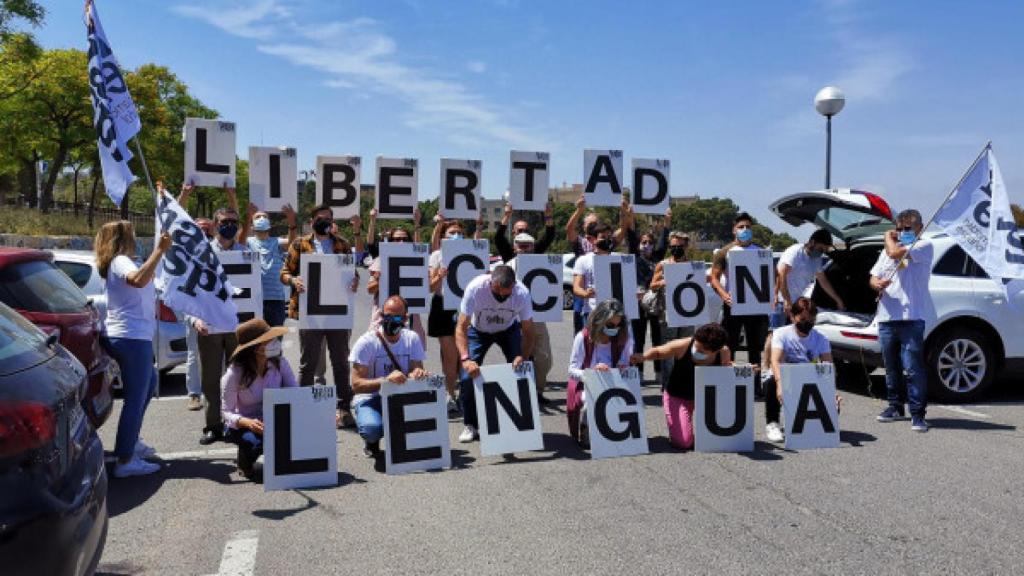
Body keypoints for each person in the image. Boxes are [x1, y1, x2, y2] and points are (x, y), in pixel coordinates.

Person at [95, 221, 171, 477]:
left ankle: (131, 441)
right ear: (120, 239)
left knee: (148, 386)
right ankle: (125, 460)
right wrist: (159, 250)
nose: (135, 238)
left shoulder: (119, 262)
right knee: (135, 398)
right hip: (130, 337)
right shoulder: (120, 261)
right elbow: (138, 280)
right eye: (132, 234)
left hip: (133, 336)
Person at [280, 204, 364, 428]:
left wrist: (355, 281)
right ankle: (303, 406)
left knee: (340, 362)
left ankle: (343, 408)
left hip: (337, 313)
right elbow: (284, 272)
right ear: (312, 221)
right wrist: (293, 280)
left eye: (328, 218)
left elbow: (352, 273)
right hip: (311, 313)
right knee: (308, 363)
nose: (324, 221)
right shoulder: (300, 244)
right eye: (320, 218)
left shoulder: (342, 244)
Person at [455, 265, 535, 443]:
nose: (502, 296)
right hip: (479, 331)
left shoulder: (522, 293)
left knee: (522, 370)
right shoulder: (475, 288)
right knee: (468, 377)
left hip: (508, 330)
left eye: (506, 293)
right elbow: (461, 327)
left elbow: (529, 332)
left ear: (513, 286)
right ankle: (471, 424)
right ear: (491, 281)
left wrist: (523, 355)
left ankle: (521, 422)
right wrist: (465, 359)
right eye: (498, 292)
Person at [870, 209, 934, 432]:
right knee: (891, 368)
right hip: (887, 317)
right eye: (899, 228)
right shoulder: (886, 252)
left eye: (908, 228)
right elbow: (874, 275)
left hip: (911, 318)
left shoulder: (923, 246)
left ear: (920, 228)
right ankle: (895, 407)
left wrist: (888, 237)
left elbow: (896, 253)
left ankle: (918, 414)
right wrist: (876, 284)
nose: (902, 232)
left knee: (913, 368)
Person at [190, 202, 247, 445]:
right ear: (215, 226)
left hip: (238, 327)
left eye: (234, 222)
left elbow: (256, 290)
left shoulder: (246, 253)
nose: (229, 227)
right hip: (210, 326)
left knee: (240, 377)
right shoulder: (201, 253)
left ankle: (237, 422)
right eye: (225, 222)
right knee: (211, 379)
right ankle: (213, 425)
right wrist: (194, 319)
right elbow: (189, 290)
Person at [631, 323, 730, 451]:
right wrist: (643, 357)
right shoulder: (683, 345)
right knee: (684, 443)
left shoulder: (724, 352)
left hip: (706, 398)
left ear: (715, 350)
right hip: (678, 395)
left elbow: (727, 370)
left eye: (702, 351)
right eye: (696, 345)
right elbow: (658, 352)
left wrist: (745, 371)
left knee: (722, 438)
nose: (697, 350)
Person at [349, 296, 428, 457]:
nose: (390, 321)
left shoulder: (412, 339)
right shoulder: (366, 342)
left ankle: (404, 438)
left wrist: (417, 374)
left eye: (396, 317)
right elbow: (356, 385)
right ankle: (372, 442)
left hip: (399, 396)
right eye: (386, 316)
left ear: (405, 318)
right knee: (372, 429)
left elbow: (417, 369)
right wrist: (385, 381)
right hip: (370, 398)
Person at [220, 318, 296, 480]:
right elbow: (226, 412)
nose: (275, 343)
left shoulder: (280, 363)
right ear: (255, 348)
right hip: (243, 424)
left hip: (274, 418)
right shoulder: (234, 374)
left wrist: (320, 413)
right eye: (269, 340)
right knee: (256, 444)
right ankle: (245, 459)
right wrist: (248, 423)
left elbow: (295, 393)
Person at [709, 212, 770, 383]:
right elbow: (714, 277)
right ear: (733, 230)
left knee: (755, 347)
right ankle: (726, 380)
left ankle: (755, 384)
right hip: (733, 304)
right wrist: (723, 294)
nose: (745, 230)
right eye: (741, 227)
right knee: (730, 344)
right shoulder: (724, 252)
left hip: (755, 306)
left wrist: (771, 294)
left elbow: (773, 276)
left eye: (748, 227)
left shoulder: (761, 251)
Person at [766, 297, 836, 443]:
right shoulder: (781, 333)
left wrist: (831, 393)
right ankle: (772, 423)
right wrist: (780, 384)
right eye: (803, 318)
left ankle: (812, 422)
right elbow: (775, 360)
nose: (807, 322)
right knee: (771, 381)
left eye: (811, 319)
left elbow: (827, 367)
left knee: (834, 407)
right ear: (792, 317)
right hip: (786, 375)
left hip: (808, 378)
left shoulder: (821, 339)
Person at [566, 299, 634, 445]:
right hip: (587, 384)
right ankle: (586, 426)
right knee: (590, 400)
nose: (614, 329)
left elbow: (625, 363)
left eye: (618, 325)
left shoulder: (624, 338)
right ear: (599, 320)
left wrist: (622, 367)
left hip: (614, 383)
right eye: (610, 325)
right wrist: (591, 373)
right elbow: (571, 370)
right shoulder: (583, 338)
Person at [623, 204, 671, 381]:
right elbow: (630, 235)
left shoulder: (658, 258)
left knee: (658, 338)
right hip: (637, 304)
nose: (647, 245)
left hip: (656, 303)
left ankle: (659, 372)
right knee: (638, 339)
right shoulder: (634, 257)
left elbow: (664, 240)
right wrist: (631, 217)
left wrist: (667, 222)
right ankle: (639, 371)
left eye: (650, 242)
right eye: (644, 242)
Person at [506, 232, 554, 403]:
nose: (524, 249)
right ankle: (519, 395)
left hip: (538, 317)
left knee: (544, 358)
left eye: (528, 245)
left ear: (533, 247)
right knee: (517, 358)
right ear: (514, 247)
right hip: (515, 319)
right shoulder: (508, 266)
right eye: (521, 245)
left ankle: (538, 391)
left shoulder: (545, 265)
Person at [427, 219, 469, 414]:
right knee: (450, 355)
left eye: (459, 232)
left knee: (466, 354)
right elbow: (430, 287)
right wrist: (440, 275)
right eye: (452, 232)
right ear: (444, 236)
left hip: (466, 307)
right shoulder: (437, 255)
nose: (456, 235)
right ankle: (450, 394)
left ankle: (465, 394)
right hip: (443, 306)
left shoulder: (471, 253)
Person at [648, 230, 696, 388]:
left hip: (688, 314)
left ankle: (682, 384)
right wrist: (662, 282)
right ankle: (667, 386)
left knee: (686, 349)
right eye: (673, 246)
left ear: (686, 246)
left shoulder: (692, 266)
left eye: (680, 246)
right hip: (668, 314)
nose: (676, 249)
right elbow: (652, 286)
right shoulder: (663, 265)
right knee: (668, 351)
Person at [367, 227, 427, 347]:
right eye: (397, 239)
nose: (401, 242)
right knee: (379, 351)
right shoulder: (381, 260)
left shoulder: (417, 260)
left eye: (405, 239)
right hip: (384, 314)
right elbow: (370, 289)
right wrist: (379, 280)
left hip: (410, 316)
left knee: (412, 355)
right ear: (390, 241)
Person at [242, 202, 298, 328]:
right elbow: (238, 241)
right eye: (257, 217)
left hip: (276, 298)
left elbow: (292, 244)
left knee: (275, 341)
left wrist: (291, 223)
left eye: (264, 217)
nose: (261, 219)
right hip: (254, 298)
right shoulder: (247, 242)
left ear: (269, 225)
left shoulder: (276, 241)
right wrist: (246, 218)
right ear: (251, 225)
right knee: (255, 342)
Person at [777, 228, 846, 317]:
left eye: (824, 251)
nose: (822, 253)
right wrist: (787, 299)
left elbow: (823, 281)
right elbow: (781, 274)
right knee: (778, 330)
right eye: (821, 249)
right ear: (813, 242)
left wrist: (838, 300)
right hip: (782, 303)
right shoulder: (795, 252)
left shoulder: (816, 259)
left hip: (797, 305)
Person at [572, 220, 616, 325]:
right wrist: (586, 293)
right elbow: (576, 287)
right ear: (594, 240)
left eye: (609, 237)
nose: (606, 240)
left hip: (614, 313)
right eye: (603, 237)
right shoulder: (583, 260)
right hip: (592, 312)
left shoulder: (618, 259)